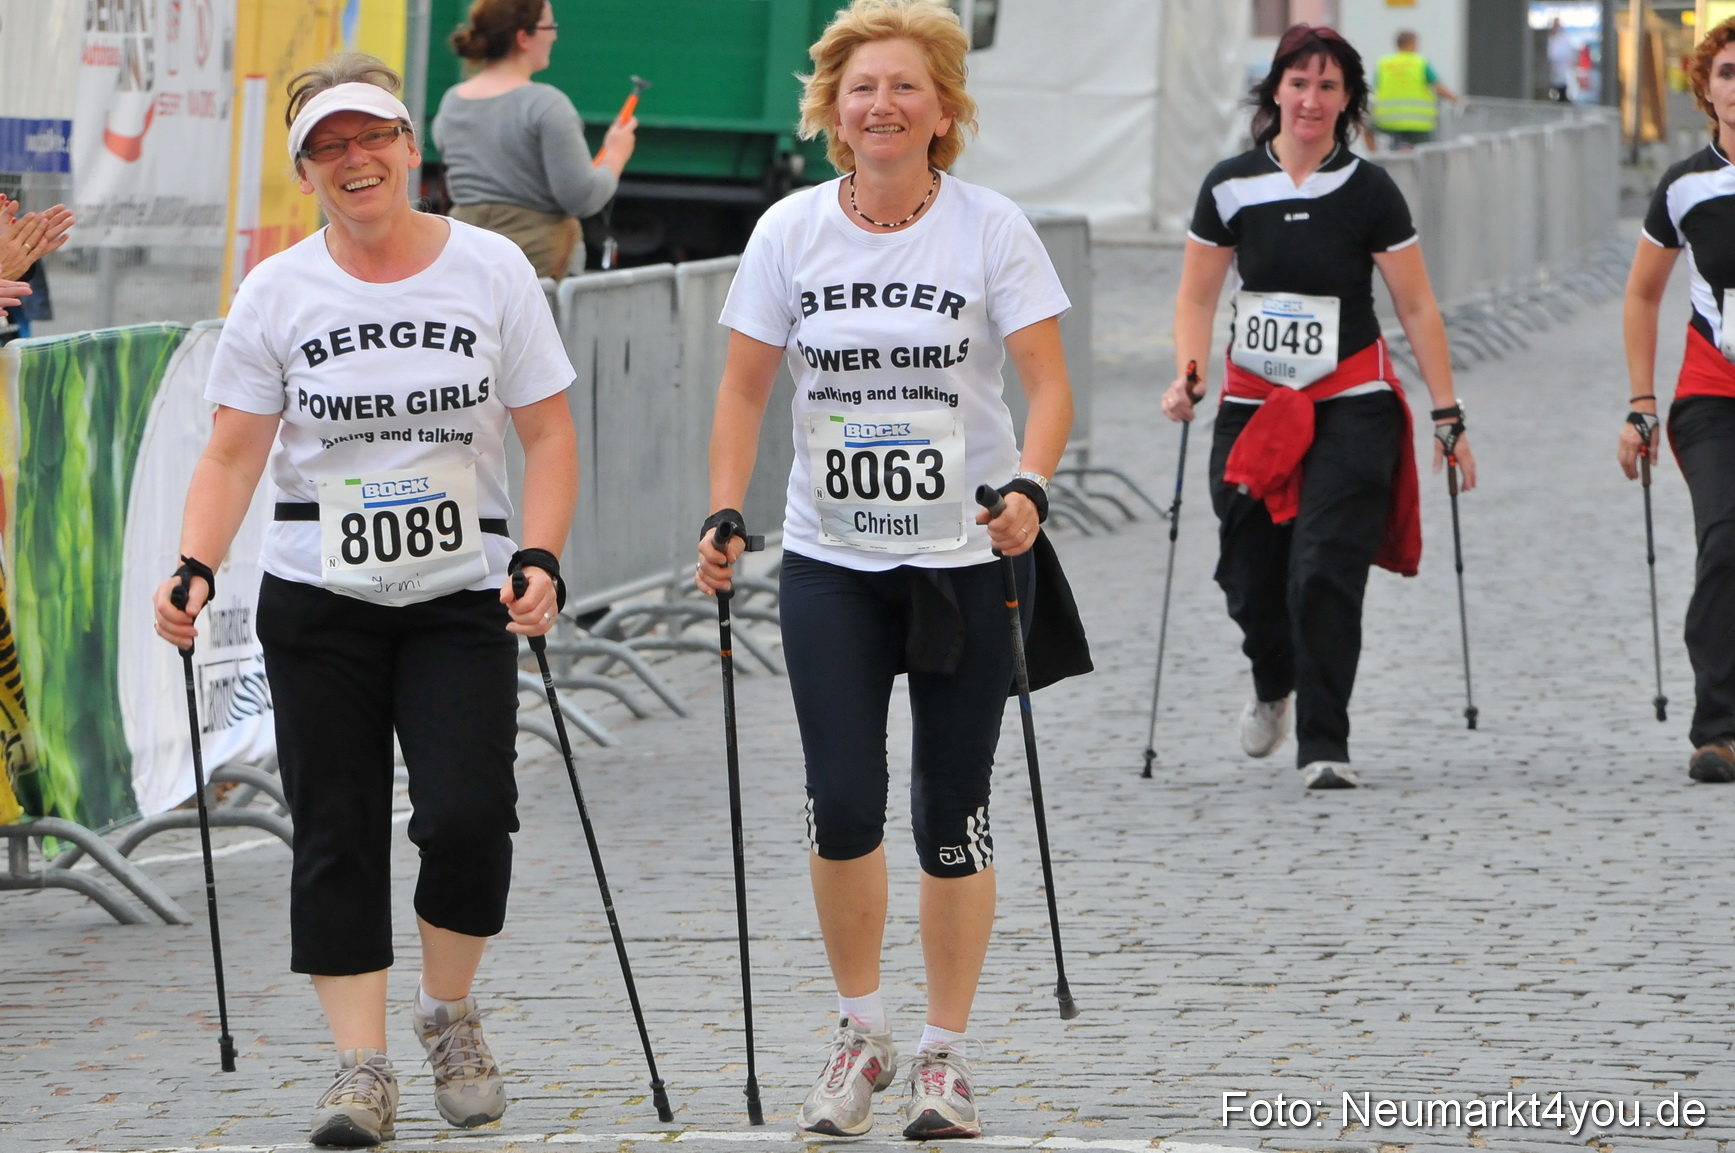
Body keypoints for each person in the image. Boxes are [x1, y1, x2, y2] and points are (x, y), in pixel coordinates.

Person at [151, 54, 578, 1147]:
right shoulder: (280, 292)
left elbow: (548, 430)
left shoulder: (488, 270)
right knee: (335, 829)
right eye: (328, 147)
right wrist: (195, 564)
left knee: (469, 817)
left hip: (459, 593)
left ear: (407, 147)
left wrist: (542, 550)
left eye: (370, 138)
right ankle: (360, 1066)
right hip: (320, 595)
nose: (354, 161)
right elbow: (234, 454)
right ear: (306, 171)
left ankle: (447, 1012)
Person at [695, 0, 1074, 1138]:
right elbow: (744, 390)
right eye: (861, 88)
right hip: (831, 562)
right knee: (843, 803)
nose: (881, 105)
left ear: (944, 109)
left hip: (969, 557)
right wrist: (724, 504)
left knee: (950, 815)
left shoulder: (990, 227)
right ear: (832, 109)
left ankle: (944, 1055)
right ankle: (859, 1032)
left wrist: (1032, 491)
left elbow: (1048, 386)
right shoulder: (791, 231)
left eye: (906, 86)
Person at [1162, 23, 1476, 791]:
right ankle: (1274, 683)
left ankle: (1324, 739)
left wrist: (1446, 412)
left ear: (1347, 101)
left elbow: (1417, 306)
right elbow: (1197, 293)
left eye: (1327, 86)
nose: (1309, 99)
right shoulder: (1231, 184)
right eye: (1297, 83)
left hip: (1350, 400)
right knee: (1248, 571)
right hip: (1252, 401)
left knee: (1324, 566)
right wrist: (1188, 372)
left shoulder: (1368, 189)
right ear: (1274, 90)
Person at [1621, 16, 1735, 784]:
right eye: (1727, 71)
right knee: (1725, 537)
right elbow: (1640, 295)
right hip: (1710, 393)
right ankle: (1718, 728)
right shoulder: (1686, 184)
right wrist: (1639, 403)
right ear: (1706, 87)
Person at [433, 0, 636, 278]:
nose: (554, 35)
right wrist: (615, 154)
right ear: (523, 37)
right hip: (537, 269)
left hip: (466, 260)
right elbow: (581, 198)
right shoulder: (546, 104)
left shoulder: (452, 101)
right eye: (549, 26)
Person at [1369, 30, 1458, 149]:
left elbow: (1375, 88)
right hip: (1418, 122)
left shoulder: (1384, 63)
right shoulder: (1420, 62)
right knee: (1422, 154)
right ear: (1411, 43)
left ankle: (1374, 159)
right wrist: (1456, 100)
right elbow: (1438, 87)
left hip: (1388, 120)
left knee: (1368, 129)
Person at [1547, 18, 1576, 103]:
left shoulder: (1564, 40)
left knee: (1562, 94)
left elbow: (1568, 55)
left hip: (1562, 74)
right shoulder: (1550, 39)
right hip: (1551, 74)